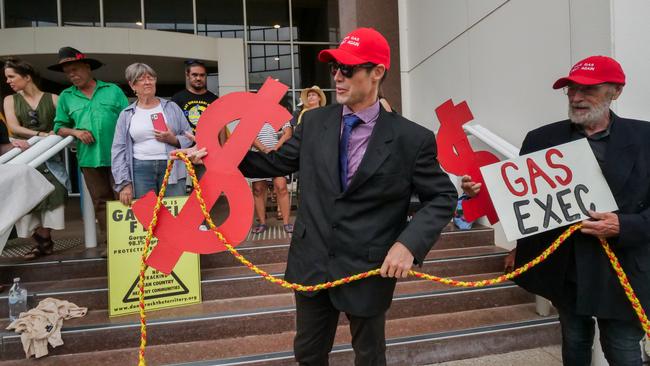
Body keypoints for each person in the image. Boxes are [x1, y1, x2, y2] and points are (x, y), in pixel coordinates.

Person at [180, 27, 457, 365]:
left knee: (370, 357)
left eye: (348, 69)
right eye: (334, 68)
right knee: (308, 354)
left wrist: (408, 245)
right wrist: (212, 154)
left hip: (368, 268)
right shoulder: (313, 123)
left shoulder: (412, 138)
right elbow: (273, 161)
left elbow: (443, 196)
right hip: (311, 264)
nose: (338, 77)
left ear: (377, 73)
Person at [461, 55, 650, 365]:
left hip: (623, 270)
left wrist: (623, 225)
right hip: (567, 270)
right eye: (571, 89)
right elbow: (523, 201)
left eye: (588, 89)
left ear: (616, 91)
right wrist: (484, 194)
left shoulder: (645, 139)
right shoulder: (541, 139)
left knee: (623, 349)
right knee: (574, 340)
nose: (576, 97)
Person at [51, 47, 129, 249]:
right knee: (101, 202)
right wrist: (76, 133)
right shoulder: (66, 96)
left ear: (87, 67)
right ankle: (111, 245)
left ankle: (130, 244)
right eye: (68, 73)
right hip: (89, 158)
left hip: (119, 156)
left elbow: (130, 119)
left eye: (75, 70)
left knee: (125, 198)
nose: (72, 75)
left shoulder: (112, 90)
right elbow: (59, 127)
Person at [3, 58, 70, 260]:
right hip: (24, 156)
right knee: (24, 200)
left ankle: (45, 241)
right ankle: (41, 242)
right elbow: (14, 127)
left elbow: (64, 122)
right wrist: (41, 136)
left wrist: (55, 133)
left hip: (50, 158)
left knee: (55, 194)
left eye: (11, 76)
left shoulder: (55, 99)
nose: (8, 81)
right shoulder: (10, 100)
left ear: (27, 77)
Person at [111, 63, 193, 206]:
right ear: (132, 85)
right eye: (141, 79)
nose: (147, 82)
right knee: (147, 215)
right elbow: (118, 150)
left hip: (172, 167)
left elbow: (189, 137)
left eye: (150, 78)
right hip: (140, 169)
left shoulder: (171, 107)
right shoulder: (126, 114)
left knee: (175, 215)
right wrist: (124, 183)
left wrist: (173, 139)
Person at [250, 121, 293, 234]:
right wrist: (264, 149)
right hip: (258, 155)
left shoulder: (278, 112)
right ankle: (262, 223)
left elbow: (288, 133)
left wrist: (275, 148)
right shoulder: (252, 114)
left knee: (281, 187)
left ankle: (287, 223)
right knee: (258, 190)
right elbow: (249, 135)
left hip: (277, 155)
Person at [171, 59, 225, 141]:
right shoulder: (177, 98)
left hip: (210, 148)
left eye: (202, 75)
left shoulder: (214, 99)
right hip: (186, 149)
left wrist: (223, 149)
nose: (198, 78)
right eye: (194, 75)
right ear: (187, 75)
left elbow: (221, 126)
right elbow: (172, 126)